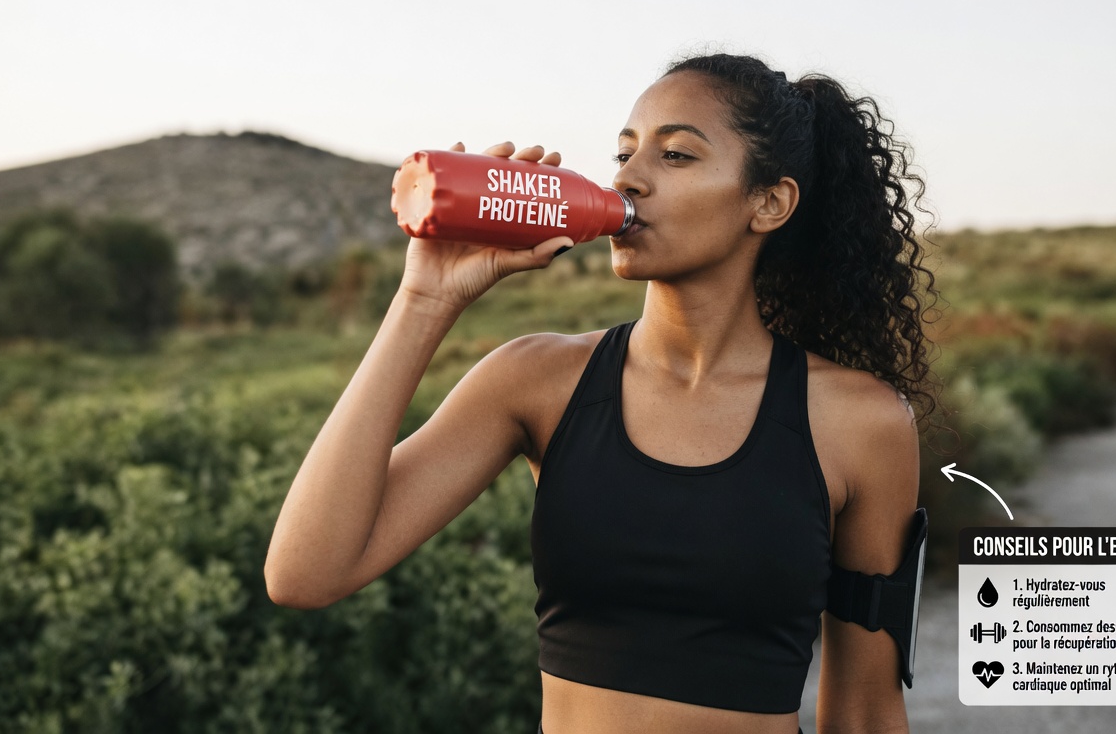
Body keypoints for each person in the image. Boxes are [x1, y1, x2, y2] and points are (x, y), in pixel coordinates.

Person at [265, 52, 938, 734]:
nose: (629, 178)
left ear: (768, 202)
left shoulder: (860, 422)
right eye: (623, 152)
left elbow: (865, 711)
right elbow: (305, 574)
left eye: (675, 155)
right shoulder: (538, 380)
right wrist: (423, 297)